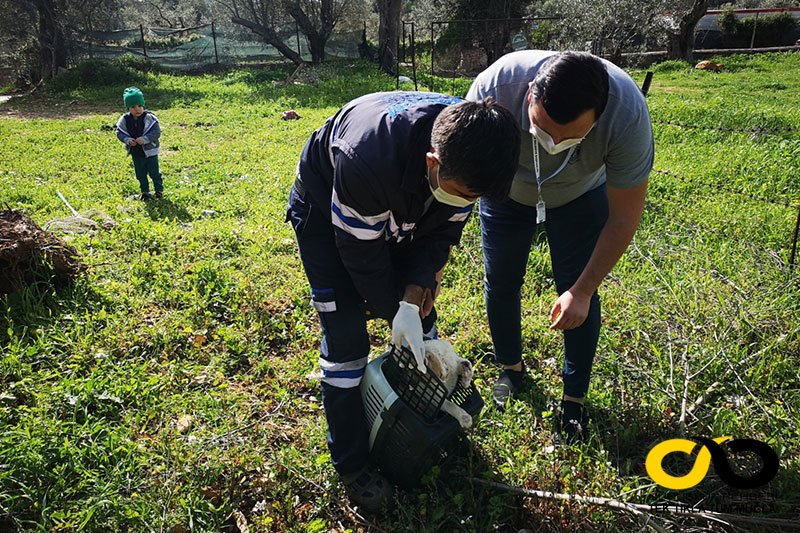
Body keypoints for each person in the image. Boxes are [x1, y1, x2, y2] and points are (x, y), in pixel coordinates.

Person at [287, 91, 520, 511]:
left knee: (423, 321)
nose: (467, 203)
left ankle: (427, 421)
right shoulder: (367, 160)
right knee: (346, 343)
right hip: (329, 215)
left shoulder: (469, 148)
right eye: (463, 193)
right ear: (433, 163)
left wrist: (412, 302)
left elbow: (439, 237)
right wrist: (392, 307)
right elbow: (360, 255)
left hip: (400, 199)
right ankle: (352, 461)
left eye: (475, 198)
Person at [466, 51, 654, 442]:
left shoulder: (626, 114)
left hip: (581, 195)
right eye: (543, 131)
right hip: (506, 191)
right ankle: (511, 370)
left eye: (570, 138)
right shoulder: (494, 89)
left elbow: (624, 217)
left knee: (578, 290)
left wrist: (583, 290)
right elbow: (465, 173)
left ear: (598, 116)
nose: (553, 144)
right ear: (531, 93)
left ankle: (573, 399)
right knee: (501, 280)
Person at [116, 87, 163, 201]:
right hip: (136, 152)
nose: (137, 109)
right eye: (133, 107)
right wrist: (127, 140)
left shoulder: (149, 118)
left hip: (150, 152)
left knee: (154, 172)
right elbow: (119, 132)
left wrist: (146, 139)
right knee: (140, 173)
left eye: (139, 106)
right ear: (128, 108)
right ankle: (145, 192)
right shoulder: (125, 119)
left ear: (143, 105)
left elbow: (156, 132)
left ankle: (159, 190)